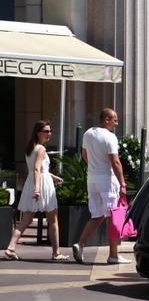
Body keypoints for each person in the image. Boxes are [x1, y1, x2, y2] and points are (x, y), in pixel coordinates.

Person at [72, 108, 131, 265]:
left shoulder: (88, 133)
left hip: (92, 179)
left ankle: (80, 244)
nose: (116, 123)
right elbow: (115, 162)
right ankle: (113, 255)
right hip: (107, 179)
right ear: (106, 119)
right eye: (115, 120)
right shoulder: (110, 137)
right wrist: (122, 183)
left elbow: (84, 156)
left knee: (97, 216)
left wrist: (95, 168)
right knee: (114, 217)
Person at [5, 121, 69, 261]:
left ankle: (11, 247)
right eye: (46, 131)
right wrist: (38, 189)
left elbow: (38, 169)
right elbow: (37, 169)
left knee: (26, 220)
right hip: (41, 183)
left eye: (50, 131)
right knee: (53, 220)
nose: (49, 134)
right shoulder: (41, 149)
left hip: (33, 181)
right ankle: (56, 253)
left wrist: (54, 177)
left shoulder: (30, 148)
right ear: (37, 132)